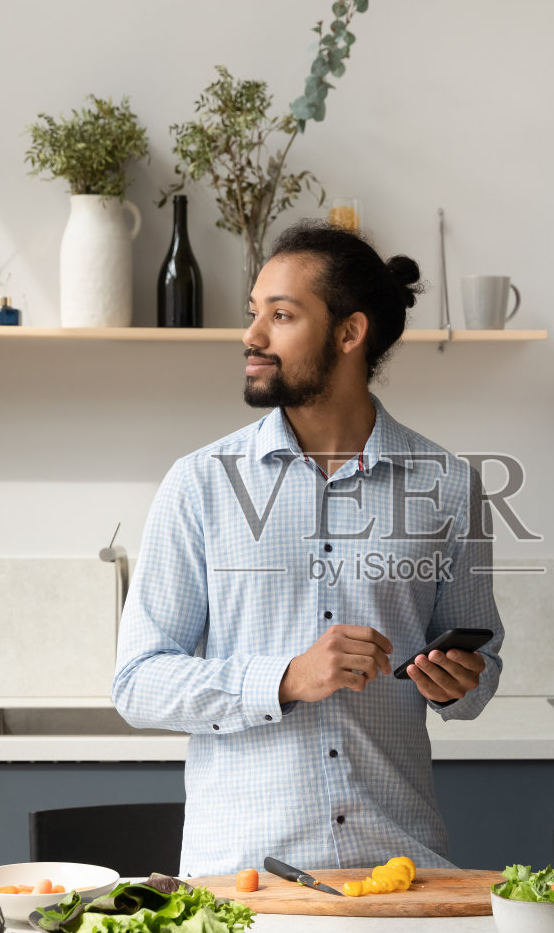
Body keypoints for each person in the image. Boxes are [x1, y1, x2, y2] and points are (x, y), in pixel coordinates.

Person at [113, 221, 505, 876]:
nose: (252, 336)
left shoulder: (447, 485)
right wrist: (287, 677)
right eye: (253, 314)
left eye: (282, 315)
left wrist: (458, 682)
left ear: (350, 333)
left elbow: (481, 664)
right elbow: (138, 681)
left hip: (400, 871)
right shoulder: (202, 484)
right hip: (245, 878)